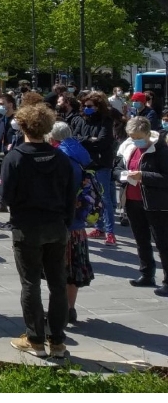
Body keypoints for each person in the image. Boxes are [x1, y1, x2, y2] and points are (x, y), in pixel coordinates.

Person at [0, 103, 76, 359]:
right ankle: (57, 341)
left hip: (27, 227)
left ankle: (35, 340)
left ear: (22, 126)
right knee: (57, 283)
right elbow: (70, 195)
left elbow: (5, 195)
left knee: (30, 283)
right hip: (56, 226)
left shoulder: (16, 157)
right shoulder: (60, 157)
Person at [114, 117, 168, 295]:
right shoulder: (128, 147)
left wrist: (143, 175)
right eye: (132, 136)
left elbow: (165, 177)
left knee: (162, 242)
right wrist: (122, 174)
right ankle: (146, 273)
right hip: (132, 199)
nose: (135, 140)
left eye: (138, 137)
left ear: (147, 133)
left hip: (155, 203)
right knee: (141, 239)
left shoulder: (160, 149)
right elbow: (116, 167)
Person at [48, 120, 94, 324]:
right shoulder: (78, 153)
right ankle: (70, 308)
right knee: (73, 270)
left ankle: (59, 311)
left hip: (62, 222)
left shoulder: (60, 158)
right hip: (78, 225)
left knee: (59, 269)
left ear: (53, 138)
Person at [76, 91, 117, 245]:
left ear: (98, 106)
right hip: (86, 163)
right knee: (91, 197)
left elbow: (103, 142)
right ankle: (99, 227)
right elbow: (76, 137)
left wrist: (85, 141)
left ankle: (110, 232)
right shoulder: (82, 120)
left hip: (101, 164)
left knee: (104, 198)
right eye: (84, 106)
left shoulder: (106, 120)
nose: (86, 108)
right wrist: (89, 140)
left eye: (90, 106)